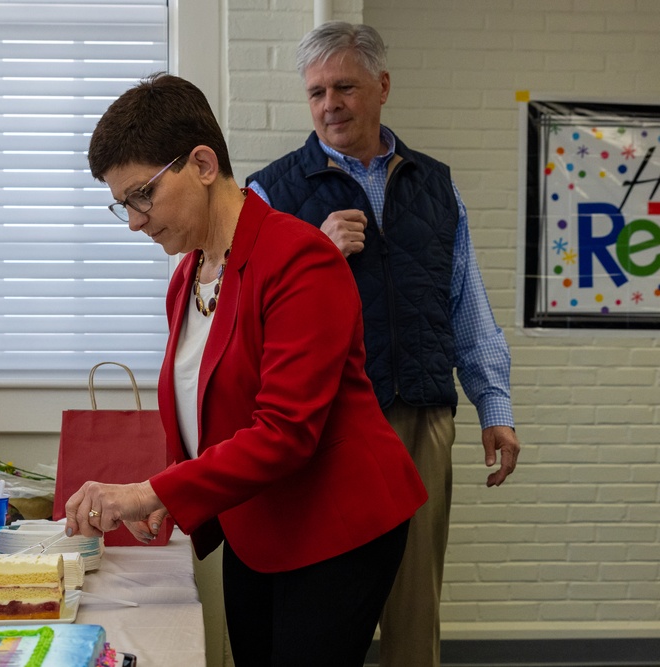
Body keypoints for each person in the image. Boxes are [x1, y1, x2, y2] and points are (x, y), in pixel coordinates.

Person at [63, 72, 428, 666]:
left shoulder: (300, 258)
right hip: (258, 524)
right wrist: (170, 492)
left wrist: (148, 490)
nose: (133, 220)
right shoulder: (188, 275)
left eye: (142, 195)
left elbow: (284, 431)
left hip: (337, 526)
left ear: (203, 164)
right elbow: (209, 406)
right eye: (122, 203)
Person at [246, 21, 522, 667]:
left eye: (344, 86)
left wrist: (496, 406)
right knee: (318, 601)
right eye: (315, 92)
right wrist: (313, 253)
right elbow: (247, 318)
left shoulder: (436, 185)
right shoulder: (269, 193)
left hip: (420, 417)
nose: (329, 104)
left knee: (413, 607)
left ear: (383, 87)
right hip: (320, 425)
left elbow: (467, 304)